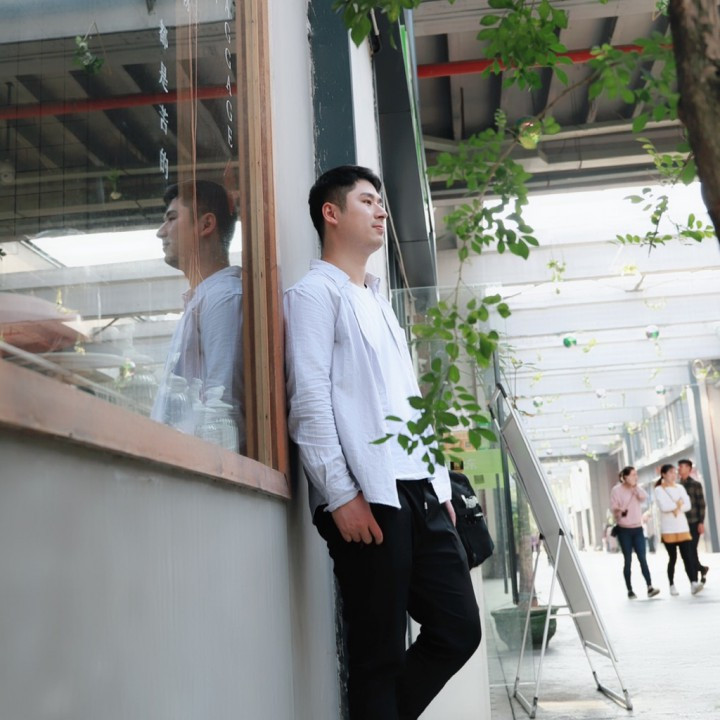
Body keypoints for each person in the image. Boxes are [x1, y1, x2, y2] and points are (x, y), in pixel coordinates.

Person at [284, 165, 481, 720]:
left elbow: (407, 399)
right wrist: (340, 494)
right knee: (378, 655)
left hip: (419, 491)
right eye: (367, 201)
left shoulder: (377, 298)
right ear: (331, 213)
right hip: (368, 495)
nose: (381, 211)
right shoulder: (313, 295)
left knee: (458, 629)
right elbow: (309, 402)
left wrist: (439, 483)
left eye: (381, 202)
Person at [150, 180, 245, 453]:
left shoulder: (222, 298)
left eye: (171, 218)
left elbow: (223, 408)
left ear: (206, 225)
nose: (160, 232)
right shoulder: (205, 298)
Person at [609, 466, 660, 599]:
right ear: (625, 477)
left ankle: (650, 587)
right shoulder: (616, 490)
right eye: (632, 475)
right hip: (624, 529)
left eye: (636, 475)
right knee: (628, 560)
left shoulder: (636, 489)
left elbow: (644, 497)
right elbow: (613, 507)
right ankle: (630, 590)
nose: (635, 477)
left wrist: (635, 487)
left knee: (642, 558)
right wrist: (620, 509)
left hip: (637, 528)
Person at [654, 463, 703, 595]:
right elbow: (664, 507)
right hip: (668, 529)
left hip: (682, 527)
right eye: (670, 472)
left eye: (674, 472)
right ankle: (671, 585)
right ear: (663, 474)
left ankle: (693, 583)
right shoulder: (659, 490)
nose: (673, 475)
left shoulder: (680, 487)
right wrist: (678, 504)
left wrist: (676, 506)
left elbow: (688, 505)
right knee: (673, 558)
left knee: (687, 556)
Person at [678, 458, 709, 584]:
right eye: (679, 466)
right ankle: (701, 569)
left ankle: (695, 578)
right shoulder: (676, 486)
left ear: (689, 469)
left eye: (682, 466)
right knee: (688, 551)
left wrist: (701, 522)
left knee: (691, 549)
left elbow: (701, 504)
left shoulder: (696, 484)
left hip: (694, 522)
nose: (679, 468)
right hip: (681, 524)